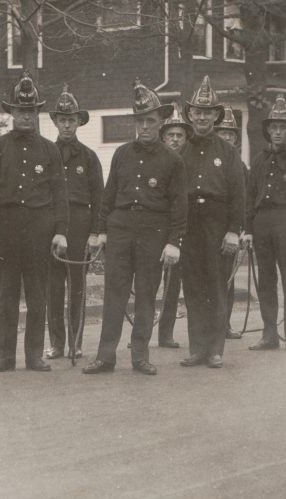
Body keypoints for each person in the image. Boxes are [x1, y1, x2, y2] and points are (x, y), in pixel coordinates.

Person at [82, 79, 186, 376]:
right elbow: (108, 195)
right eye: (139, 121)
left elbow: (180, 206)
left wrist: (174, 241)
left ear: (161, 121)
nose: (144, 126)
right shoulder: (122, 154)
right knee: (114, 293)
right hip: (120, 230)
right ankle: (105, 357)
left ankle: (140, 355)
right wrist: (101, 231)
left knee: (145, 294)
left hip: (154, 231)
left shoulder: (173, 160)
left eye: (150, 120)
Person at [0, 72, 69, 373]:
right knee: (7, 297)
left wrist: (61, 232)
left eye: (31, 110)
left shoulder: (50, 150)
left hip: (39, 230)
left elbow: (60, 194)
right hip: (7, 230)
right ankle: (5, 357)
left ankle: (34, 356)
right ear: (11, 112)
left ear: (36, 113)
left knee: (38, 297)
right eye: (20, 110)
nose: (26, 116)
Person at [178, 76, 245, 368]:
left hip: (218, 224)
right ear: (190, 115)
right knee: (193, 286)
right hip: (190, 223)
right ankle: (197, 348)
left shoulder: (228, 152)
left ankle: (215, 349)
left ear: (216, 116)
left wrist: (233, 231)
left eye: (208, 112)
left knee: (217, 286)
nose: (202, 117)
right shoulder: (181, 151)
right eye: (197, 112)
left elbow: (238, 196)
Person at [241, 95, 286, 353]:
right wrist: (248, 230)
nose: (278, 132)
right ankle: (269, 334)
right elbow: (250, 197)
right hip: (262, 224)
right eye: (274, 127)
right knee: (266, 281)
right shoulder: (258, 161)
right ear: (268, 130)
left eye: (283, 127)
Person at [46, 85, 103, 361]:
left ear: (79, 122)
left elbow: (99, 198)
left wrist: (96, 232)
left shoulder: (89, 158)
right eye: (62, 119)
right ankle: (57, 344)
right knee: (53, 287)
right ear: (55, 121)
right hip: (54, 225)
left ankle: (76, 343)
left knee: (77, 285)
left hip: (81, 223)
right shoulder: (46, 153)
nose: (67, 125)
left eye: (72, 120)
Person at [153, 103, 192, 349]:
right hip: (153, 226)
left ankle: (165, 333)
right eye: (170, 135)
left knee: (173, 283)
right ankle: (142, 332)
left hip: (179, 228)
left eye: (179, 136)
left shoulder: (188, 162)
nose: (175, 140)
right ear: (163, 137)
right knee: (148, 283)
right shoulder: (153, 158)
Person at [213, 105, 246, 340]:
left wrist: (240, 229)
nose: (227, 137)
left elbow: (244, 199)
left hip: (230, 229)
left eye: (231, 134)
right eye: (223, 133)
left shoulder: (240, 166)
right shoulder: (209, 161)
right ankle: (209, 325)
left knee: (228, 278)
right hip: (208, 227)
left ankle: (224, 325)